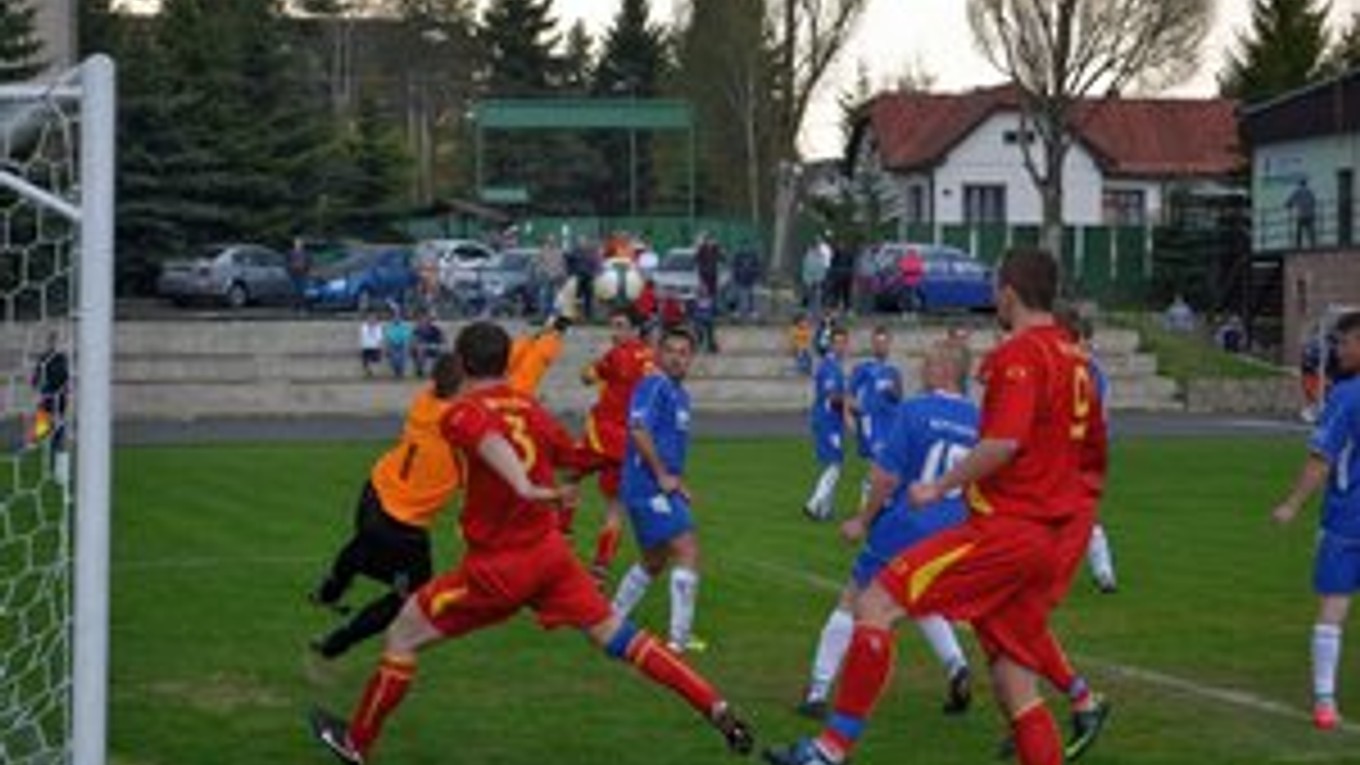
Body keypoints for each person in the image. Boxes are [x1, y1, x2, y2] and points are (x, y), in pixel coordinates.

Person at [307, 322, 753, 765]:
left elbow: (486, 435)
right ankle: (714, 705)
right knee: (621, 637)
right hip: (551, 558)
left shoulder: (459, 412)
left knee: (402, 634)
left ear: (462, 363)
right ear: (507, 361)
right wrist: (609, 445)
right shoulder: (534, 411)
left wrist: (521, 483)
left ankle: (357, 743)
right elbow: (574, 456)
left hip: (499, 568)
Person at [764, 248, 1110, 765]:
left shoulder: (1022, 355)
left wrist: (938, 485)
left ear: (1009, 293)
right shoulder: (1077, 360)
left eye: (996, 287)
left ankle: (829, 750)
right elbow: (1092, 462)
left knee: (876, 601)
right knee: (1015, 681)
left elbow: (1003, 445)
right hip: (1049, 534)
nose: (994, 296)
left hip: (1007, 531)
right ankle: (1077, 699)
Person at [798, 340, 976, 721]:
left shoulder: (915, 410)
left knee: (854, 599)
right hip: (952, 532)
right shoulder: (980, 421)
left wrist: (863, 520)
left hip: (906, 522)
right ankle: (957, 666)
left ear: (945, 368)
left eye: (928, 362)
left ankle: (818, 689)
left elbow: (885, 476)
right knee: (923, 600)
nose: (923, 370)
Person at [308, 353, 463, 659]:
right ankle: (336, 643)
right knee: (410, 596)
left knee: (363, 547)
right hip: (401, 527)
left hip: (374, 494)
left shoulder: (425, 401)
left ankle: (330, 591)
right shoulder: (459, 426)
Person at [1270, 310, 1360, 731]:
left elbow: (1321, 459)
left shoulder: (1346, 395)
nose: (1337, 350)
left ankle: (1324, 699)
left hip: (1347, 520)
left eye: (1344, 343)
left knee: (1333, 606)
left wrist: (1292, 504)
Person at [611, 326, 706, 654]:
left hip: (659, 485)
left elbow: (668, 443)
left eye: (684, 352)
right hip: (646, 486)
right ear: (658, 354)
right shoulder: (654, 385)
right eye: (672, 351)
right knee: (687, 548)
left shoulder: (680, 394)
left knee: (654, 560)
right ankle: (678, 641)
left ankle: (611, 618)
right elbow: (638, 428)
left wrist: (678, 482)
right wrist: (663, 475)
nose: (678, 358)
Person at [579, 306, 656, 577]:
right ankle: (599, 571)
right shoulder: (650, 356)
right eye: (613, 325)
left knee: (565, 474)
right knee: (614, 508)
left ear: (635, 329)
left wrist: (590, 367)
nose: (615, 332)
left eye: (621, 326)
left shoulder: (618, 354)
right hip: (631, 443)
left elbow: (587, 378)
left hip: (605, 435)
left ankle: (561, 533)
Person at [847, 326, 903, 507]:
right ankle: (867, 503)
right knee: (878, 462)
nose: (881, 346)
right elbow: (850, 395)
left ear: (890, 344)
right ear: (872, 344)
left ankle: (879, 500)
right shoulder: (863, 369)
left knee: (888, 464)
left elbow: (898, 397)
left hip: (890, 422)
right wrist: (852, 414)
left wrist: (892, 391)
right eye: (878, 342)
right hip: (872, 422)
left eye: (885, 342)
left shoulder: (893, 371)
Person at [804, 326, 850, 521]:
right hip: (827, 420)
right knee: (835, 464)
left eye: (844, 342)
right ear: (831, 344)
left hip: (830, 420)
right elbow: (833, 397)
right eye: (838, 342)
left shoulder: (833, 365)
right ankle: (814, 504)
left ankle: (825, 509)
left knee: (834, 463)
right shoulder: (830, 367)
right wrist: (852, 404)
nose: (841, 346)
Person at [30, 330, 70, 484]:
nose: (53, 344)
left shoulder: (62, 359)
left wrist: (62, 390)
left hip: (59, 402)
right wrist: (41, 386)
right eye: (52, 341)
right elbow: (35, 381)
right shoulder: (44, 359)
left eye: (55, 341)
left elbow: (65, 379)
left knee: (57, 436)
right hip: (47, 400)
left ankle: (57, 471)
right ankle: (48, 465)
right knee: (42, 430)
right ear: (49, 342)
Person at [732, 242, 761, 322]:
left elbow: (758, 267)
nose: (746, 248)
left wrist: (755, 274)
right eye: (745, 247)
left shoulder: (754, 256)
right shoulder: (738, 255)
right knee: (739, 296)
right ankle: (738, 312)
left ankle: (753, 312)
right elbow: (734, 267)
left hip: (751, 279)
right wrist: (737, 275)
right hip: (741, 279)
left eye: (748, 247)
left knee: (752, 296)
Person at [410, 314, 445, 379]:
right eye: (422, 321)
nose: (423, 322)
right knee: (420, 349)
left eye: (425, 321)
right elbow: (413, 340)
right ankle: (420, 369)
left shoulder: (435, 329)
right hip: (421, 347)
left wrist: (438, 344)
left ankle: (435, 371)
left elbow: (442, 339)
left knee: (438, 350)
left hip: (433, 346)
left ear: (429, 322)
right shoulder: (417, 330)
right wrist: (416, 344)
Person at [1287, 178, 1318, 249]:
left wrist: (1288, 206)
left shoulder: (1297, 191)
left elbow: (1290, 201)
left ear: (1299, 184)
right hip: (1310, 214)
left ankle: (1298, 245)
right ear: (1305, 184)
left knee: (1299, 231)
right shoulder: (1309, 192)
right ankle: (1313, 245)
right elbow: (1314, 202)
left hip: (1301, 214)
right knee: (1310, 230)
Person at [802, 239, 830, 312]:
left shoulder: (821, 256)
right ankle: (807, 311)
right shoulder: (809, 255)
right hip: (810, 280)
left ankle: (815, 311)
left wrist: (819, 279)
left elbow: (822, 269)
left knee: (817, 296)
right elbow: (807, 268)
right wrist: (808, 280)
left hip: (818, 280)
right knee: (809, 295)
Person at [383, 310, 412, 379]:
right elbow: (388, 336)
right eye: (395, 317)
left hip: (402, 344)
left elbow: (407, 335)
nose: (397, 318)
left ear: (401, 317)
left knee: (403, 357)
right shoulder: (390, 326)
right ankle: (397, 371)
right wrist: (392, 342)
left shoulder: (405, 325)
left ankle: (400, 371)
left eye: (398, 316)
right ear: (393, 318)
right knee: (394, 357)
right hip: (393, 344)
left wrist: (402, 341)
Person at [288, 238, 313, 312]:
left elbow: (310, 262)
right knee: (294, 291)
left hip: (303, 274)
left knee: (303, 291)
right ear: (294, 244)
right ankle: (294, 306)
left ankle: (303, 306)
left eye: (300, 243)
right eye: (297, 243)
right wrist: (291, 267)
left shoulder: (306, 253)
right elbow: (287, 262)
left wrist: (305, 268)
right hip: (293, 274)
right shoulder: (290, 252)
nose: (298, 244)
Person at [359, 313, 384, 377]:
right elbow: (363, 336)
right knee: (365, 361)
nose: (371, 320)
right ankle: (369, 372)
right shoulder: (364, 326)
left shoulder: (378, 327)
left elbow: (379, 337)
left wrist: (380, 345)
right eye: (370, 319)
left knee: (375, 360)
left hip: (375, 346)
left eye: (373, 319)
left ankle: (372, 371)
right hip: (366, 346)